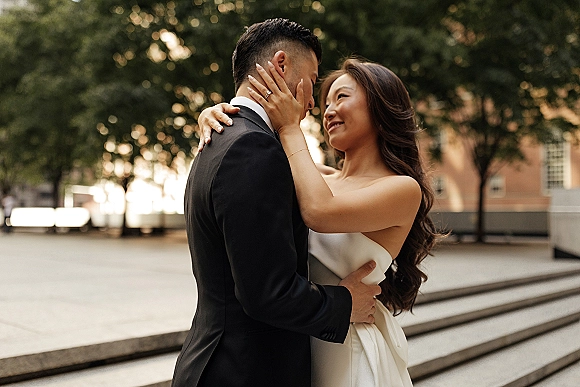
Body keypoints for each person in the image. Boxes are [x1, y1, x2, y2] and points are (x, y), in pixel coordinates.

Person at [198, 58, 439, 386]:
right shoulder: (320, 177)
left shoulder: (401, 189)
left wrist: (290, 127)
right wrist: (217, 115)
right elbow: (250, 162)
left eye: (341, 98)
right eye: (324, 103)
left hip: (349, 350)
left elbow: (318, 212)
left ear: (382, 106)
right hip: (300, 341)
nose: (326, 111)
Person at [171, 19, 382, 387]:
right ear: (281, 65)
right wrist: (344, 303)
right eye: (313, 83)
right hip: (246, 371)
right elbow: (267, 293)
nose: (314, 103)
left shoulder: (222, 138)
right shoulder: (253, 148)